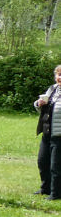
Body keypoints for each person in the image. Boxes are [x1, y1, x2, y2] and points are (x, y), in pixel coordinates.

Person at [35, 65, 61, 199]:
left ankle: (56, 193)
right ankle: (45, 188)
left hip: (59, 135)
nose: (60, 77)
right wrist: (38, 104)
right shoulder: (52, 89)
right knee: (42, 161)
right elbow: (43, 108)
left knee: (56, 166)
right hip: (47, 132)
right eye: (58, 74)